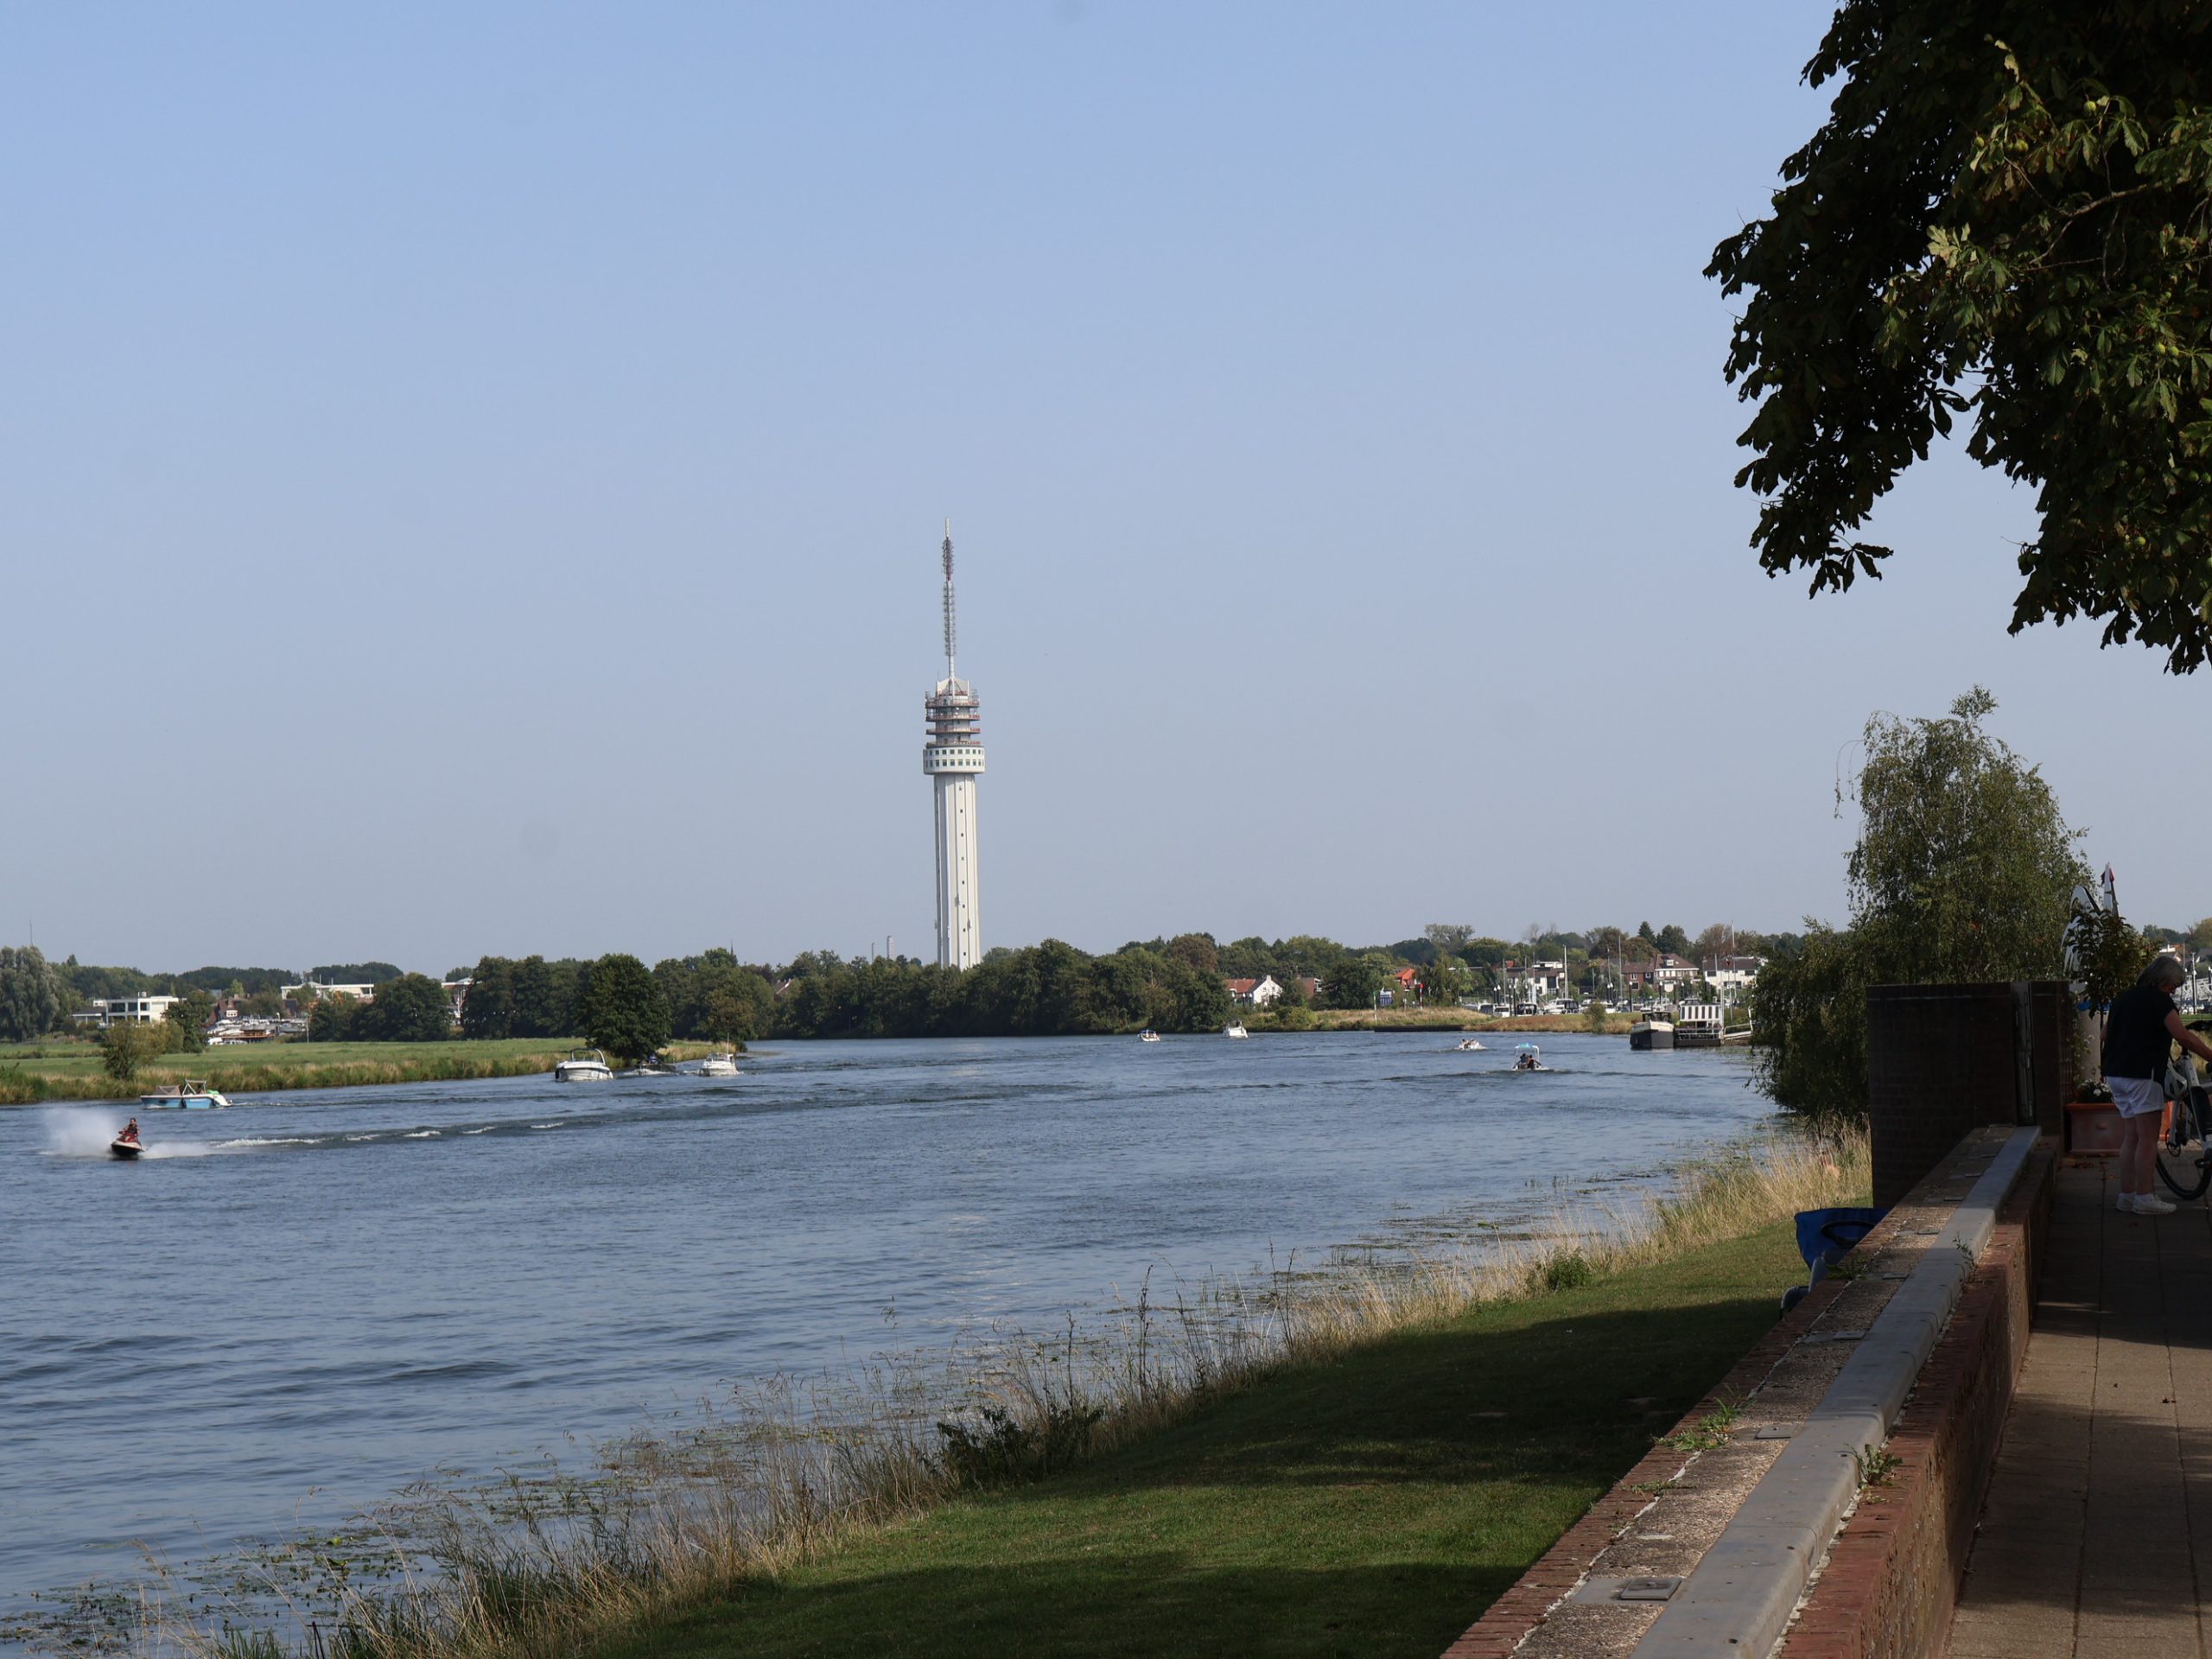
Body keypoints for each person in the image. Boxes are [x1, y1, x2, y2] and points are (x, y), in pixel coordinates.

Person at [2101, 957, 2212, 1214]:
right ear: (2163, 980)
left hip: (2117, 1074)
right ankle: (2145, 1197)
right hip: (2143, 1074)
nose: (2175, 989)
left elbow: (2106, 1034)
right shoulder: (2159, 1001)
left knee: (2131, 1137)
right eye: (2174, 984)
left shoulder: (2124, 998)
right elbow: (2182, 1035)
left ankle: (2127, 1196)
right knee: (2149, 1139)